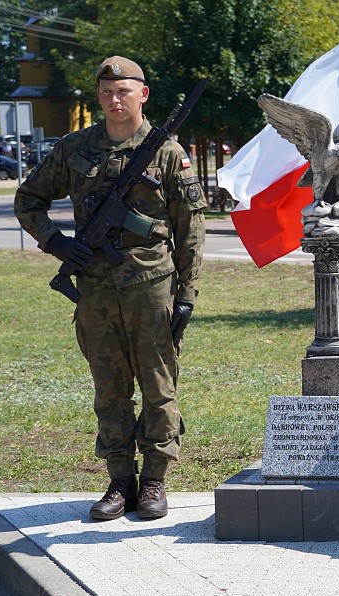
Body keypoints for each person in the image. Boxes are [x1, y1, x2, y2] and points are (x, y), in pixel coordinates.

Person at [15, 56, 207, 521]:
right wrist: (55, 240)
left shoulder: (166, 153)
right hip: (96, 292)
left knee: (159, 386)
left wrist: (187, 294)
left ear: (143, 94)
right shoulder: (75, 148)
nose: (114, 99)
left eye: (123, 91)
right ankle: (120, 480)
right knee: (109, 389)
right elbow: (29, 199)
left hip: (151, 287)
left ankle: (155, 479)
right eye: (105, 92)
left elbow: (190, 229)